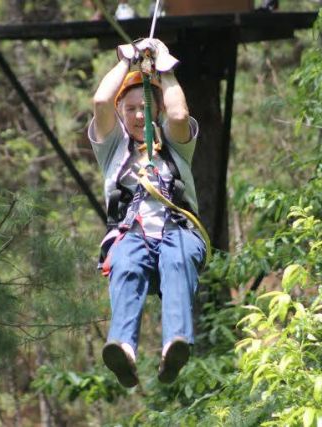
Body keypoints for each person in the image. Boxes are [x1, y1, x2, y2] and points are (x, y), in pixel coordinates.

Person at [88, 38, 206, 387]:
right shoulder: (113, 149)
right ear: (122, 114)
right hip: (131, 235)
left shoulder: (176, 147)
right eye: (131, 109)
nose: (140, 115)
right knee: (125, 262)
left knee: (177, 257)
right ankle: (123, 347)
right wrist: (126, 61)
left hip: (178, 232)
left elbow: (179, 115)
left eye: (147, 107)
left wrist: (165, 70)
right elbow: (99, 101)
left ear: (156, 110)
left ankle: (175, 343)